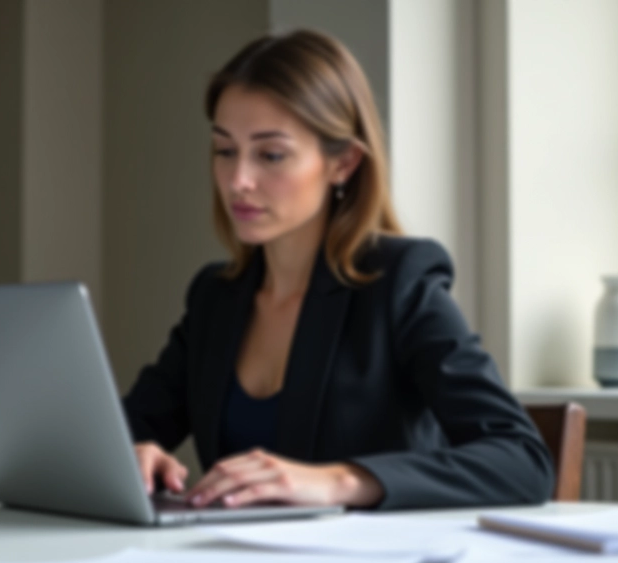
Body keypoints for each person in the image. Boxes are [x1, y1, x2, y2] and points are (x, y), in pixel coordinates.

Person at [122, 29, 553, 511]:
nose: (238, 180)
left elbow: (523, 459)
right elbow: (121, 433)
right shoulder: (214, 298)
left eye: (270, 154)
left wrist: (338, 481)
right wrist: (132, 454)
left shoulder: (399, 283)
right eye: (225, 150)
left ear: (343, 162)